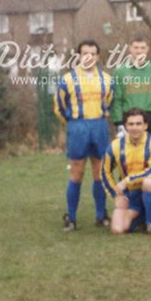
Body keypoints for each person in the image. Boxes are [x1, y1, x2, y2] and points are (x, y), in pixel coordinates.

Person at [54, 39, 114, 232]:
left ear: (97, 56)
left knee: (100, 172)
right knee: (77, 172)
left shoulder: (106, 79)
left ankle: (101, 214)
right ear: (78, 56)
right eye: (84, 53)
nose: (88, 57)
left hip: (99, 126)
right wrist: (72, 124)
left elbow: (109, 103)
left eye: (92, 54)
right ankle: (71, 217)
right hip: (78, 127)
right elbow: (59, 107)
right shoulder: (67, 79)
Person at [101, 108, 151, 234]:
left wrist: (127, 181)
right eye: (131, 124)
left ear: (145, 126)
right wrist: (116, 196)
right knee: (117, 229)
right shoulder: (115, 146)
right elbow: (105, 172)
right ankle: (142, 215)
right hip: (130, 194)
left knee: (149, 183)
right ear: (125, 126)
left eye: (138, 124)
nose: (134, 127)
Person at [110, 36, 151, 138]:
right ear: (130, 48)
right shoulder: (120, 72)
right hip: (129, 117)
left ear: (147, 49)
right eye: (136, 47)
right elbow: (117, 100)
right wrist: (118, 124)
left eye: (142, 47)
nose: (139, 51)